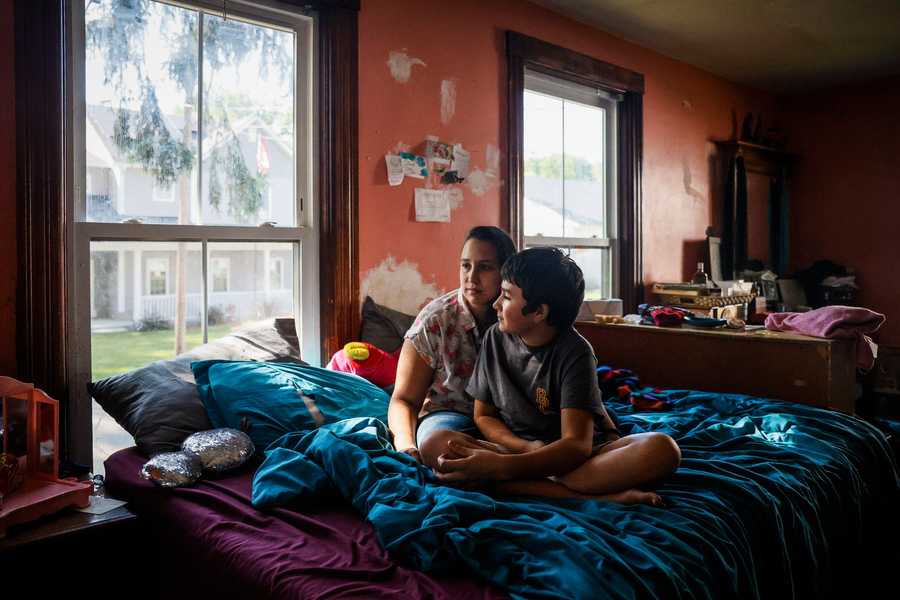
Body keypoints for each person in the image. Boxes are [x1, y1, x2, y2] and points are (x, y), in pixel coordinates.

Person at [432, 247, 681, 505]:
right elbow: (483, 415)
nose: (495, 304)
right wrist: (522, 450)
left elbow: (576, 445)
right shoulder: (495, 337)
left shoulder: (576, 353)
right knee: (437, 443)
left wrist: (502, 467)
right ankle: (599, 495)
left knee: (663, 450)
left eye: (506, 297)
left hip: (572, 458)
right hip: (519, 448)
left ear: (539, 312)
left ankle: (516, 482)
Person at [387, 226, 517, 468]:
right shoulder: (436, 320)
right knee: (437, 446)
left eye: (485, 267)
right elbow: (404, 399)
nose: (472, 277)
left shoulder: (521, 316)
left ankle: (513, 462)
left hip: (510, 421)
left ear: (505, 272)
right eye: (465, 265)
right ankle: (520, 464)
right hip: (450, 418)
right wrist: (406, 446)